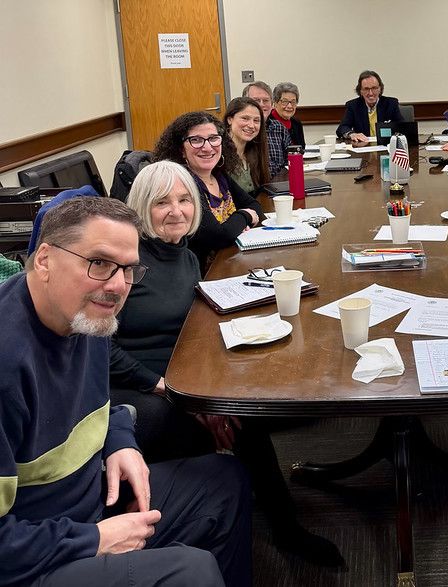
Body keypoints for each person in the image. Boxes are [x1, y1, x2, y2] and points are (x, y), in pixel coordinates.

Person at [0, 196, 250, 586]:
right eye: (99, 263)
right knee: (190, 571)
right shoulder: (8, 361)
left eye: (128, 269)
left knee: (224, 480)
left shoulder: (85, 316)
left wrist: (120, 441)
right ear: (45, 259)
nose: (117, 285)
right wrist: (94, 539)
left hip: (85, 507)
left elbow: (100, 402)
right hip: (33, 557)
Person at [110, 161, 345, 566]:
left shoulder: (181, 253)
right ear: (141, 207)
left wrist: (203, 393)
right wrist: (174, 389)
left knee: (246, 400)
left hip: (180, 372)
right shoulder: (128, 263)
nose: (177, 211)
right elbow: (98, 348)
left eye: (185, 200)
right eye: (162, 202)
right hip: (138, 388)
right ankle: (283, 529)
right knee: (245, 418)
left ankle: (275, 518)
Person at [152, 111, 263, 271]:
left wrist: (237, 224)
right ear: (181, 149)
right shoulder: (183, 184)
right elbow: (219, 236)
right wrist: (245, 216)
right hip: (202, 275)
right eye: (196, 140)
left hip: (229, 262)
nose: (207, 147)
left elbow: (255, 206)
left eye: (213, 139)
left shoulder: (219, 175)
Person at [336, 70, 403, 142]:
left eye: (374, 88)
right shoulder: (353, 106)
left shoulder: (391, 104)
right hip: (363, 147)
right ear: (360, 91)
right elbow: (342, 128)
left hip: (386, 145)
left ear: (380, 89)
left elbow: (403, 127)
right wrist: (351, 134)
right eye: (366, 89)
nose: (370, 93)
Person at [242, 81, 292, 175]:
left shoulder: (279, 128)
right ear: (245, 103)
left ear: (272, 104)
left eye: (266, 100)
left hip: (279, 184)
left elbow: (288, 163)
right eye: (256, 100)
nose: (261, 105)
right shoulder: (242, 130)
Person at [224, 97, 271, 194]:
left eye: (256, 120)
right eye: (245, 118)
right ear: (230, 119)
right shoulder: (219, 154)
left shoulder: (256, 150)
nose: (251, 125)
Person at [270, 82, 305, 147]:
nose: (289, 106)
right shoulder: (268, 123)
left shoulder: (296, 123)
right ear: (275, 103)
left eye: (293, 102)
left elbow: (302, 148)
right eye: (285, 101)